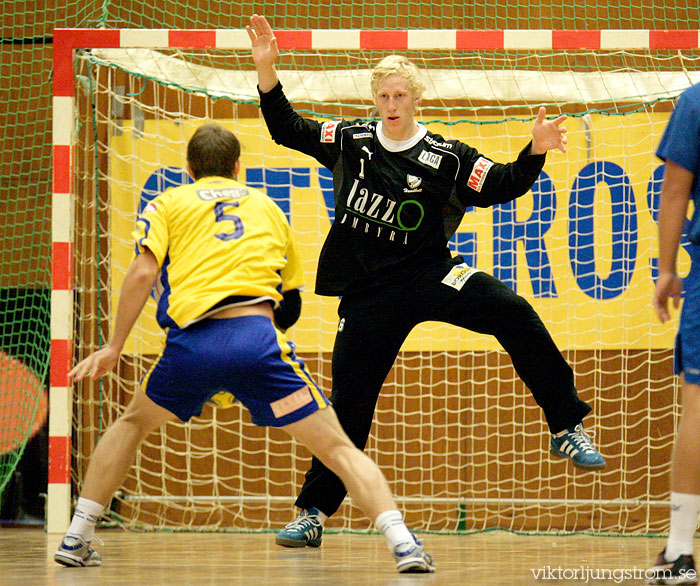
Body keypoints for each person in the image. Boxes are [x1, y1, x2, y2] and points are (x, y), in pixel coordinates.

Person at [247, 14, 606, 549]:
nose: (391, 104)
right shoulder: (349, 139)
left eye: (400, 95)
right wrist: (266, 71)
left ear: (415, 99)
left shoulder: (446, 156)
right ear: (374, 99)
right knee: (349, 402)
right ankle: (312, 514)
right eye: (383, 95)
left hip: (432, 273)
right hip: (368, 294)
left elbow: (502, 184)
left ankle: (566, 427)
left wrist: (534, 150)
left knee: (513, 311)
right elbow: (287, 128)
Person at [53, 123, 435, 574]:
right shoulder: (268, 207)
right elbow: (289, 302)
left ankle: (77, 536)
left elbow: (141, 273)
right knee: (338, 448)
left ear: (189, 168)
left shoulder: (167, 202)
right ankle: (404, 545)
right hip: (256, 342)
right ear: (238, 167)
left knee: (131, 423)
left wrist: (114, 346)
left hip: (190, 348)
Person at [647, 82, 700, 586]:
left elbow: (675, 191)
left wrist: (665, 269)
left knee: (699, 408)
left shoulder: (696, 101)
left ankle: (680, 551)